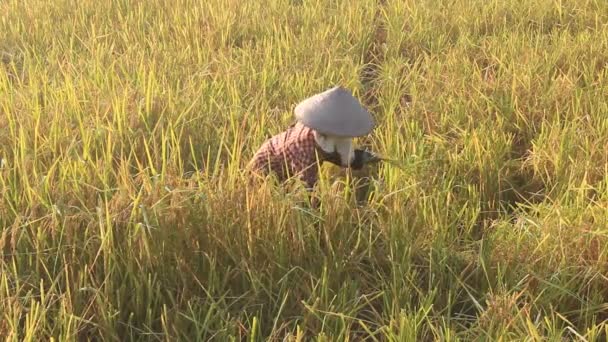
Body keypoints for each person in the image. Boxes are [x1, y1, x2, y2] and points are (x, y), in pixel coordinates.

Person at [247, 86, 378, 193]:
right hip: (264, 173)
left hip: (287, 167)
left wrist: (360, 158)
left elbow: (333, 152)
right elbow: (305, 188)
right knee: (282, 202)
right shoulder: (303, 148)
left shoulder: (322, 129)